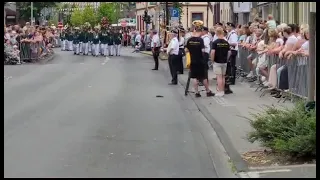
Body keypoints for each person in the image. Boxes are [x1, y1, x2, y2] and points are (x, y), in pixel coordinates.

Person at [185, 21, 215, 98]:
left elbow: (186, 50)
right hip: (200, 60)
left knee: (195, 77)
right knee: (203, 77)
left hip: (193, 60)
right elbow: (202, 51)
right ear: (200, 31)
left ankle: (196, 92)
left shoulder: (189, 40)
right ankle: (208, 91)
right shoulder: (200, 40)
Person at [211, 27, 230, 97]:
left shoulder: (215, 42)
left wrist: (212, 60)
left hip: (217, 61)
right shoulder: (226, 42)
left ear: (216, 33)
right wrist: (227, 59)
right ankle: (223, 91)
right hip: (224, 61)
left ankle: (220, 91)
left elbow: (213, 52)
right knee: (223, 77)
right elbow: (229, 52)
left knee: (219, 77)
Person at [226, 22, 238, 86]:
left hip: (232, 50)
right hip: (230, 50)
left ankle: (232, 79)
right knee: (230, 65)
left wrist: (226, 43)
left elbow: (234, 43)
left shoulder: (233, 34)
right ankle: (230, 78)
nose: (227, 28)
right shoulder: (230, 33)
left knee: (232, 66)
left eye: (228, 27)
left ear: (231, 27)